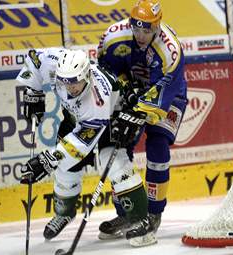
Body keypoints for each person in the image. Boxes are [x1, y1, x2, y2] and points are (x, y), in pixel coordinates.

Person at [17, 48, 157, 247]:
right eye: (65, 81)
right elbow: (34, 58)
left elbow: (81, 144)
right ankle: (64, 214)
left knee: (113, 162)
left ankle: (143, 221)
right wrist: (34, 92)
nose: (70, 88)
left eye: (75, 82)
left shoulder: (98, 99)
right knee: (65, 167)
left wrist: (48, 159)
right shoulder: (52, 62)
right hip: (75, 117)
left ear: (87, 75)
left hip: (112, 117)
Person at [96, 0, 188, 239]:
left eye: (146, 29)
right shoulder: (114, 36)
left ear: (157, 26)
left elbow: (167, 87)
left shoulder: (170, 49)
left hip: (169, 94)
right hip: (131, 91)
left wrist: (137, 112)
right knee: (116, 141)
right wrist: (125, 90)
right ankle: (129, 212)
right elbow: (105, 71)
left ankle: (154, 214)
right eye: (136, 28)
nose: (140, 34)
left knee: (157, 142)